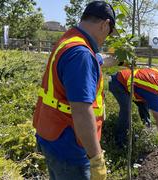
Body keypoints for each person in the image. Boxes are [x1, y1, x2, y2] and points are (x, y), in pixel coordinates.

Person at [33, 1, 118, 179]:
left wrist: (106, 60)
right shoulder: (81, 55)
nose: (106, 39)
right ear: (105, 24)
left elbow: (91, 60)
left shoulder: (70, 40)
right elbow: (81, 111)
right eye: (109, 34)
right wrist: (96, 158)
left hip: (51, 133)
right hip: (69, 144)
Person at [108, 67, 158, 155]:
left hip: (131, 83)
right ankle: (120, 142)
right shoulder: (153, 91)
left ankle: (146, 131)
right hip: (118, 83)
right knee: (126, 111)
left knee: (144, 103)